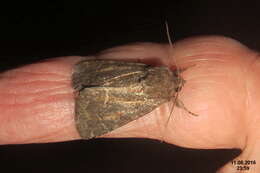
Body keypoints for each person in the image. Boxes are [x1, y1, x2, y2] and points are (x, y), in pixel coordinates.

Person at [0, 36, 259, 173]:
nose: (179, 82)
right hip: (133, 101)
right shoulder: (161, 96)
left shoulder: (159, 70)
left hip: (115, 73)